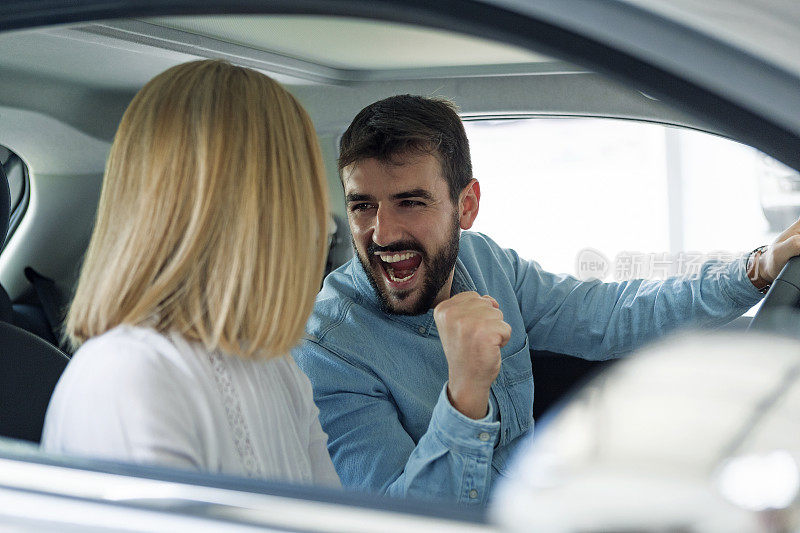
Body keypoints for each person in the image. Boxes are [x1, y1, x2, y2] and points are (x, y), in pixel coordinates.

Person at [293, 94, 800, 503]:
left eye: (410, 202)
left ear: (465, 207)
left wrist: (756, 270)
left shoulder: (486, 264)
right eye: (363, 206)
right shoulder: (329, 350)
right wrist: (465, 397)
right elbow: (399, 520)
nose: (382, 233)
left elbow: (612, 315)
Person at [41, 59, 339, 486]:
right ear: (259, 211)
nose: (325, 223)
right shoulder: (129, 378)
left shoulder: (276, 368)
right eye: (305, 191)